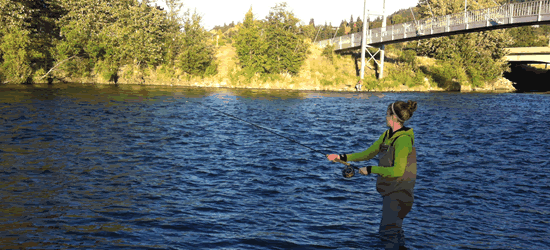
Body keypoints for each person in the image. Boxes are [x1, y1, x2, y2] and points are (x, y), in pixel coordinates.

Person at [327, 100, 418, 250]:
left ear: (394, 117)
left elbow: (397, 171)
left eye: (387, 113)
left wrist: (371, 169)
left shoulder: (403, 140)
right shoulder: (387, 135)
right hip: (391, 192)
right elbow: (367, 153)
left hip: (400, 194)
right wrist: (341, 157)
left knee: (387, 233)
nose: (385, 116)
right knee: (394, 232)